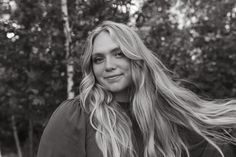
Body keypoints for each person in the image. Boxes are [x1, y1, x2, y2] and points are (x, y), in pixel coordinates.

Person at [37, 21, 236, 157]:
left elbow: (214, 145)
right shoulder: (75, 116)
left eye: (118, 54)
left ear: (136, 57)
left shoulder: (164, 113)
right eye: (98, 59)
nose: (108, 66)